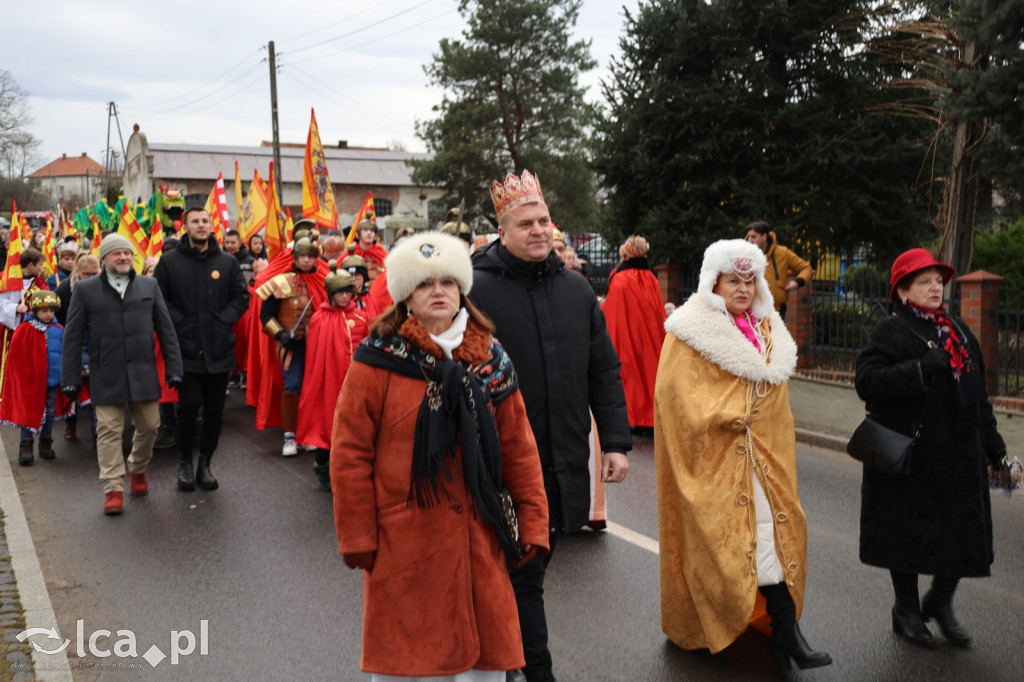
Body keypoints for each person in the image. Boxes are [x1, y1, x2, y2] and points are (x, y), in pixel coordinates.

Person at [331, 230, 550, 681]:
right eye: (426, 284)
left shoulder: (493, 359)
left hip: (480, 545)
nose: (438, 292)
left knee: (482, 666)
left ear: (462, 292)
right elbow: (350, 455)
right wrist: (358, 537)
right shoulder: (376, 360)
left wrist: (532, 522)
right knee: (414, 668)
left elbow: (520, 450)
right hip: (404, 551)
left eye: (448, 283)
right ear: (405, 298)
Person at [470, 170, 631, 682]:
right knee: (525, 573)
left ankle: (503, 654)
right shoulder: (474, 287)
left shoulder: (577, 290)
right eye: (526, 223)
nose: (539, 230)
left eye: (543, 220)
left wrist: (616, 443)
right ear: (503, 228)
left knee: (534, 563)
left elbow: (602, 370)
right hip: (498, 461)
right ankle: (531, 669)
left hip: (562, 456)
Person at [654, 239, 831, 672]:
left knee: (773, 537)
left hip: (765, 462)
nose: (743, 289)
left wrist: (755, 420)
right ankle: (714, 623)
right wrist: (730, 416)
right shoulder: (690, 332)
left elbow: (775, 406)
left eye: (750, 281)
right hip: (715, 462)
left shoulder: (770, 331)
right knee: (718, 547)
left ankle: (784, 631)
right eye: (734, 280)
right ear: (714, 282)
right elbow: (675, 398)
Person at [854, 248, 1006, 649]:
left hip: (958, 456)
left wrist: (997, 452)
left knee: (961, 532)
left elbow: (980, 399)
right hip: (912, 455)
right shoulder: (891, 331)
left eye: (939, 280)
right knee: (906, 534)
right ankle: (905, 609)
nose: (936, 287)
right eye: (924, 281)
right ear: (903, 291)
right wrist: (919, 371)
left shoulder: (958, 331)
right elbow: (866, 381)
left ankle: (939, 600)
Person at [61, 234, 183, 515]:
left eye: (127, 253)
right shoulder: (86, 290)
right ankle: (113, 488)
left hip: (143, 372)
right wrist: (70, 378)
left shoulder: (149, 285)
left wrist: (175, 368)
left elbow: (166, 331)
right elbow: (72, 337)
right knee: (108, 432)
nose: (124, 257)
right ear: (104, 259)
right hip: (106, 374)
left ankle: (137, 468)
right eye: (117, 254)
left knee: (151, 426)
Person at [155, 207, 248, 492]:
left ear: (211, 225)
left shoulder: (227, 262)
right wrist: (180, 323)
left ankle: (205, 464)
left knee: (214, 411)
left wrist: (223, 321)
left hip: (219, 349)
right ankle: (184, 462)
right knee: (188, 406)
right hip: (185, 350)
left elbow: (241, 297)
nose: (201, 225)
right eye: (195, 221)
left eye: (205, 221)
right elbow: (159, 299)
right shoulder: (169, 262)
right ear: (186, 227)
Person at [296, 262, 369, 491]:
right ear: (331, 294)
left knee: (358, 429)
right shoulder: (320, 319)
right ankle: (321, 464)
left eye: (349, 291)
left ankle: (351, 470)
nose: (345, 296)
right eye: (340, 292)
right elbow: (317, 358)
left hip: (357, 382)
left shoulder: (362, 317)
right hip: (330, 383)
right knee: (328, 426)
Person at [255, 235, 327, 456]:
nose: (306, 260)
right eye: (302, 255)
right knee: (293, 386)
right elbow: (266, 315)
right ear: (295, 256)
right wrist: (281, 335)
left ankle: (307, 434)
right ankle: (290, 437)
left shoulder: (324, 280)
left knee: (314, 389)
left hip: (317, 345)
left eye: (310, 256)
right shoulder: (281, 281)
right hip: (291, 345)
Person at [0, 290, 72, 465]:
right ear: (35, 310)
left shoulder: (59, 330)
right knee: (30, 411)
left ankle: (46, 442)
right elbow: (16, 358)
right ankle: (26, 445)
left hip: (52, 381)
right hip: (30, 382)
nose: (49, 314)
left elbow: (65, 354)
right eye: (44, 311)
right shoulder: (24, 330)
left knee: (50, 411)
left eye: (52, 311)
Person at [602, 235, 665, 433]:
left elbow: (612, 312)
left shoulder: (619, 279)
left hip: (626, 336)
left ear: (627, 254)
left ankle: (633, 418)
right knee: (649, 374)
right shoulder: (652, 279)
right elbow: (658, 311)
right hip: (651, 336)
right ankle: (650, 419)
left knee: (629, 376)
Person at [54, 252, 101, 442]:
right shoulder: (65, 289)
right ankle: (71, 423)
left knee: (95, 387)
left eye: (94, 274)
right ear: (78, 272)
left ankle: (95, 425)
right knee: (73, 387)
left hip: (95, 340)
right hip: (71, 341)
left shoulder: (103, 287)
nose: (91, 278)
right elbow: (54, 314)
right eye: (86, 275)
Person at [0, 247, 48, 400]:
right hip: (8, 329)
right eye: (40, 265)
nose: (42, 268)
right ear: (30, 265)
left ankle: (20, 394)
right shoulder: (5, 278)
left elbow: (46, 300)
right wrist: (14, 308)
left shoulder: (40, 284)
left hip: (29, 330)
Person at [743, 221, 812, 321]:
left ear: (764, 237)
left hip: (776, 311)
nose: (750, 240)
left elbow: (806, 268)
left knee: (776, 337)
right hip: (750, 310)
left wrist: (797, 282)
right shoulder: (742, 253)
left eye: (753, 237)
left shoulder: (783, 253)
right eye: (748, 237)